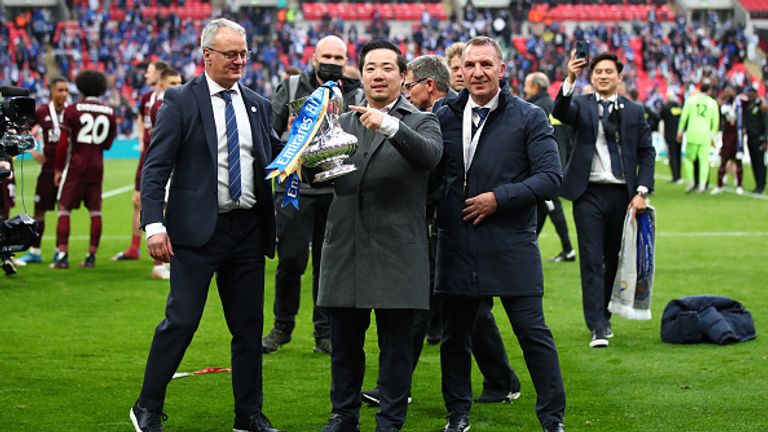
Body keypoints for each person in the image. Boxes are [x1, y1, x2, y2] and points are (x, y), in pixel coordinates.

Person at [130, 18, 280, 432]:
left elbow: (274, 158)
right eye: (230, 54)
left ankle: (248, 414)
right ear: (207, 54)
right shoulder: (179, 99)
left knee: (248, 330)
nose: (238, 61)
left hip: (248, 231)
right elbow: (155, 167)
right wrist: (153, 225)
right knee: (181, 321)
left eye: (243, 54)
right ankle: (148, 405)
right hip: (196, 232)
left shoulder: (258, 104)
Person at [362, 55, 522, 409]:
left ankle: (497, 379)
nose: (405, 93)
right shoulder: (444, 115)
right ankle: (398, 384)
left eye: (408, 86)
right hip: (439, 226)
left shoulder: (442, 119)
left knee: (462, 311)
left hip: (458, 226)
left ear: (427, 87)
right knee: (439, 310)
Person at [435, 36, 566, 432]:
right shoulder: (443, 115)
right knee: (455, 338)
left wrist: (499, 198)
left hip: (510, 243)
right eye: (470, 65)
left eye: (486, 65)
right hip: (457, 242)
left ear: (501, 69)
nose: (477, 73)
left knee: (532, 333)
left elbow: (550, 178)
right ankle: (458, 415)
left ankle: (552, 418)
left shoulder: (528, 117)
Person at [316, 39, 442, 432]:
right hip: (346, 246)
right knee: (345, 346)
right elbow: (314, 176)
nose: (378, 74)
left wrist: (389, 124)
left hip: (396, 250)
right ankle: (343, 414)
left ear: (403, 77)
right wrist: (303, 148)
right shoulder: (340, 119)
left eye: (388, 67)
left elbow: (429, 156)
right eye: (371, 67)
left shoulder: (421, 119)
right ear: (362, 74)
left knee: (396, 347)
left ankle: (390, 419)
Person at [264, 35, 364, 355]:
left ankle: (325, 332)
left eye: (340, 57)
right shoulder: (292, 88)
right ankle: (283, 326)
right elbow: (269, 130)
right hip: (296, 187)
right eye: (328, 56)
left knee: (328, 264)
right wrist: (294, 147)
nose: (333, 62)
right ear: (314, 58)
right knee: (291, 260)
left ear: (346, 61)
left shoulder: (355, 93)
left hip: (336, 189)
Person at [552, 51, 656, 348]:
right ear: (591, 75)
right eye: (597, 71)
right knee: (590, 260)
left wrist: (642, 191)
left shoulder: (634, 111)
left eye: (609, 71)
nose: (603, 75)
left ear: (619, 77)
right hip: (587, 193)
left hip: (623, 195)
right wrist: (570, 78)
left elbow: (647, 152)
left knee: (614, 258)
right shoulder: (581, 105)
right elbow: (560, 111)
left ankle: (605, 314)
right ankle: (596, 324)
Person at [51, 70, 117, 269]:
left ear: (80, 87)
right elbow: (107, 144)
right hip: (97, 167)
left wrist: (58, 169)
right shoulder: (110, 111)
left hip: (75, 166)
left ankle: (62, 255)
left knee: (64, 209)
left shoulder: (72, 110)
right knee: (95, 212)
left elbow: (63, 144)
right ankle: (91, 256)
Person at [114, 60, 169, 264]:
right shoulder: (147, 98)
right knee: (137, 200)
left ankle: (162, 253)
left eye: (149, 71)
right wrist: (139, 139)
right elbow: (139, 118)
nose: (146, 75)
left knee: (164, 201)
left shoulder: (171, 98)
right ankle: (134, 248)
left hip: (163, 154)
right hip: (147, 153)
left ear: (160, 75)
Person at [14, 78, 69, 266]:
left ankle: (59, 252)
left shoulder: (71, 112)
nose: (64, 94)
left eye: (66, 90)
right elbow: (23, 129)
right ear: (52, 92)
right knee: (39, 211)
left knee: (64, 210)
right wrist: (33, 151)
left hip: (67, 169)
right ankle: (35, 251)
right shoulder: (43, 111)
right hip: (47, 169)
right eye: (60, 90)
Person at [523, 71, 576, 263]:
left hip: (544, 168)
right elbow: (569, 138)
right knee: (543, 207)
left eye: (527, 84)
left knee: (552, 207)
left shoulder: (533, 108)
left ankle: (568, 249)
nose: (524, 88)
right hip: (559, 164)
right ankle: (528, 247)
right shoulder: (555, 106)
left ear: (536, 87)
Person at [677, 80, 719, 193]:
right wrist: (713, 136)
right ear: (709, 90)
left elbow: (683, 117)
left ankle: (691, 182)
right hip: (705, 135)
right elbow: (715, 122)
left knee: (688, 159)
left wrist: (680, 132)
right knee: (704, 161)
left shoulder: (691, 100)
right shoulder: (712, 103)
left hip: (692, 134)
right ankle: (702, 185)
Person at [713, 86, 744, 195]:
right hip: (726, 137)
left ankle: (739, 185)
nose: (727, 93)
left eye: (729, 91)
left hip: (737, 136)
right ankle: (719, 185)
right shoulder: (723, 105)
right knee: (723, 160)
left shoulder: (739, 103)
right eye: (726, 92)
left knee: (738, 161)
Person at [743, 85, 768, 194]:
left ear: (754, 94)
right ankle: (757, 184)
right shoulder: (748, 105)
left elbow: (766, 123)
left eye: (750, 93)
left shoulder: (761, 106)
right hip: (750, 137)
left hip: (759, 138)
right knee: (753, 161)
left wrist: (766, 139)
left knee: (760, 162)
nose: (748, 96)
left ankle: (761, 185)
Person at [659, 89, 682, 183]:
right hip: (679, 134)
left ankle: (675, 176)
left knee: (672, 156)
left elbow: (660, 117)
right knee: (678, 155)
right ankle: (679, 176)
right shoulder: (679, 107)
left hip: (669, 134)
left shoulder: (665, 107)